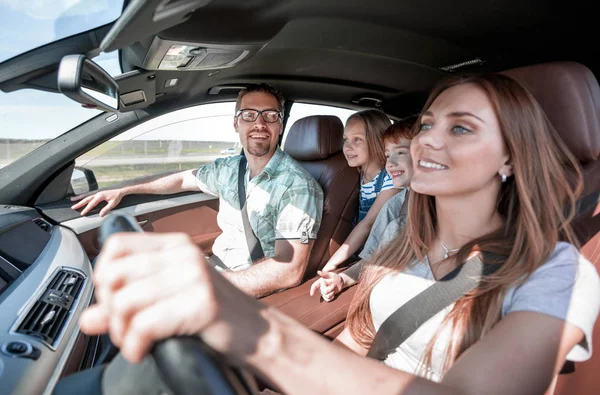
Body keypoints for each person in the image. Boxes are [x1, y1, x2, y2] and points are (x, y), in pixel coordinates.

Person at [77, 73, 599, 395]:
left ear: (510, 156)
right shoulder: (405, 241)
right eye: (426, 125)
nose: (427, 142)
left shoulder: (560, 274)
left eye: (460, 128)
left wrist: (256, 331)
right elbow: (360, 340)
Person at [71, 83, 324, 298]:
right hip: (215, 268)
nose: (259, 124)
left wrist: (200, 287)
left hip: (246, 290)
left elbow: (287, 270)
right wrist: (125, 189)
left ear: (280, 126)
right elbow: (182, 180)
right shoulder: (230, 168)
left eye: (270, 116)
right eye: (249, 115)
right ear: (236, 124)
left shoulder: (298, 185)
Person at [311, 115, 418, 302]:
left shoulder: (391, 187)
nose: (390, 162)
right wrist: (342, 278)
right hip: (373, 271)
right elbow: (374, 256)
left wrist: (332, 265)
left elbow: (368, 224)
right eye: (387, 155)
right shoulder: (389, 202)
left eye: (400, 152)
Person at [320, 109, 400, 273]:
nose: (348, 147)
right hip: (358, 253)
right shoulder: (353, 174)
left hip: (380, 258)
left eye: (357, 140)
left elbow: (368, 224)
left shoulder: (390, 179)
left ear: (378, 141)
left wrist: (331, 264)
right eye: (345, 140)